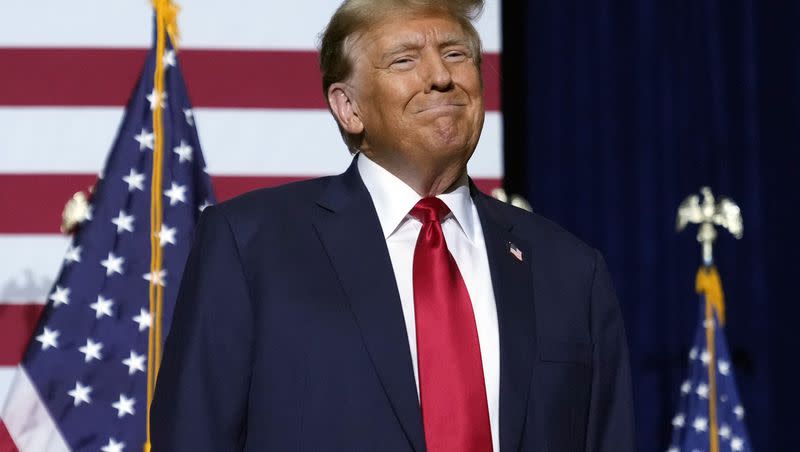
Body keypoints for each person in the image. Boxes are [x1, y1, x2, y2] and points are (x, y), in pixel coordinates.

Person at [150, 0, 635, 450]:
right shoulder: (250, 245)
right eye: (405, 60)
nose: (441, 76)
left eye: (456, 53)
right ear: (349, 107)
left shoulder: (571, 271)